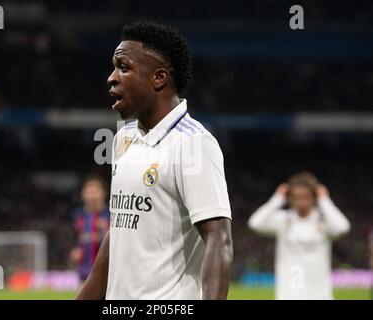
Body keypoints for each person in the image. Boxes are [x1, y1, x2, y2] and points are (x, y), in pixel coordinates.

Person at [77, 21, 233, 300]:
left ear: (159, 78)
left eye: (123, 67)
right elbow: (119, 235)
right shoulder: (123, 139)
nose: (111, 77)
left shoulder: (194, 143)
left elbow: (218, 238)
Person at [248, 172, 350, 300]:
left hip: (319, 294)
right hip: (289, 294)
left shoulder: (323, 221)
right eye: (297, 197)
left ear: (314, 198)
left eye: (306, 196)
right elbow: (254, 223)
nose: (301, 202)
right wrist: (277, 199)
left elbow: (343, 227)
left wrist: (325, 200)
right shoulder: (283, 220)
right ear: (290, 198)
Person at [70, 174, 110, 281]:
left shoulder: (112, 215)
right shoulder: (78, 216)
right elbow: (74, 241)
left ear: (103, 193)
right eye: (89, 190)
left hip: (107, 275)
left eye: (95, 190)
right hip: (84, 274)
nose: (92, 194)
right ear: (83, 194)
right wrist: (75, 252)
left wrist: (106, 228)